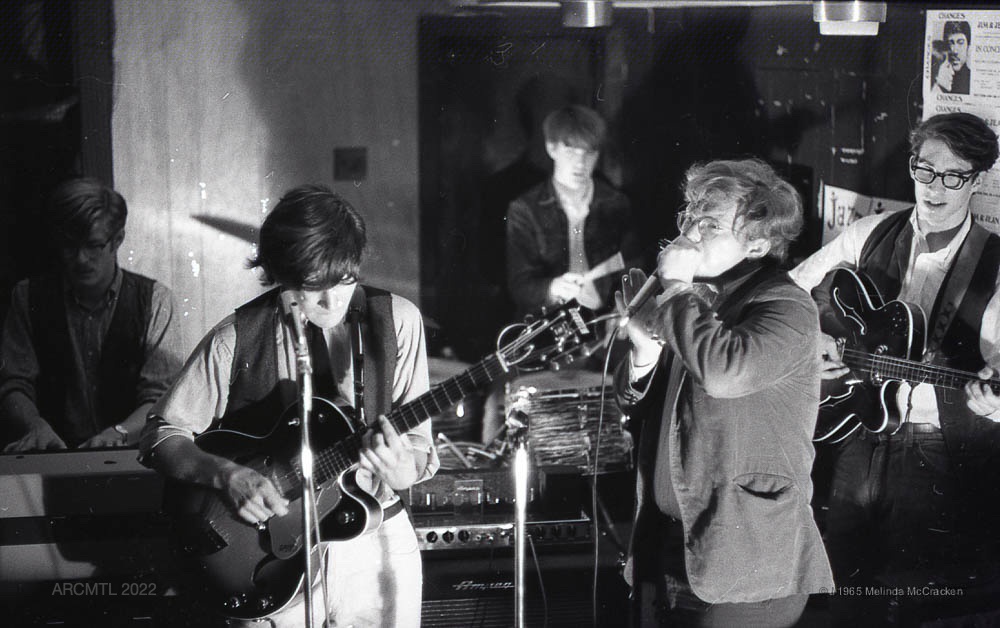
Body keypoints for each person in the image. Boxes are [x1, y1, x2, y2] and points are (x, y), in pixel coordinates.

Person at [139, 184, 438, 627]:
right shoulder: (234, 338)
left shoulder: (398, 322)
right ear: (279, 272)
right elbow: (159, 437)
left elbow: (415, 452)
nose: (331, 302)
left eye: (345, 281)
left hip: (373, 539)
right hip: (265, 553)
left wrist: (397, 467)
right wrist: (226, 474)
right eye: (314, 288)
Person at [790, 112, 1000, 624]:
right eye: (925, 169)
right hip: (854, 431)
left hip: (940, 445)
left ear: (978, 180)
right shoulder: (869, 233)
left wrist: (993, 398)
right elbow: (787, 295)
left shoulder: (996, 262)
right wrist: (813, 334)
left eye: (954, 176)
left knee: (917, 599)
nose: (936, 187)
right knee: (841, 585)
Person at [615, 158, 833, 627]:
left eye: (710, 223)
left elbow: (724, 372)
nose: (691, 230)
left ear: (756, 242)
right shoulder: (699, 298)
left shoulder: (787, 307)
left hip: (743, 560)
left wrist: (674, 285)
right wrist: (642, 352)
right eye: (690, 214)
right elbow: (643, 410)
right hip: (668, 547)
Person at [0, 177, 181, 451]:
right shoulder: (28, 297)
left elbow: (162, 397)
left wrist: (119, 433)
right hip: (50, 457)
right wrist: (34, 426)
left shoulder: (156, 300)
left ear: (117, 239)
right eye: (69, 246)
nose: (81, 258)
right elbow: (14, 383)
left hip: (131, 458)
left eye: (93, 245)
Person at [506, 104, 640, 319]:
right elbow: (520, 285)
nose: (580, 163)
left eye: (589, 152)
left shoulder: (616, 202)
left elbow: (633, 264)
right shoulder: (525, 209)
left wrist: (624, 306)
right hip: (551, 323)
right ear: (551, 148)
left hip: (604, 321)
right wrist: (551, 288)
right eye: (570, 150)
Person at [932, 21, 972, 95]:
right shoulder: (937, 78)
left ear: (968, 47)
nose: (955, 51)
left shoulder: (972, 80)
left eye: (960, 43)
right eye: (951, 43)